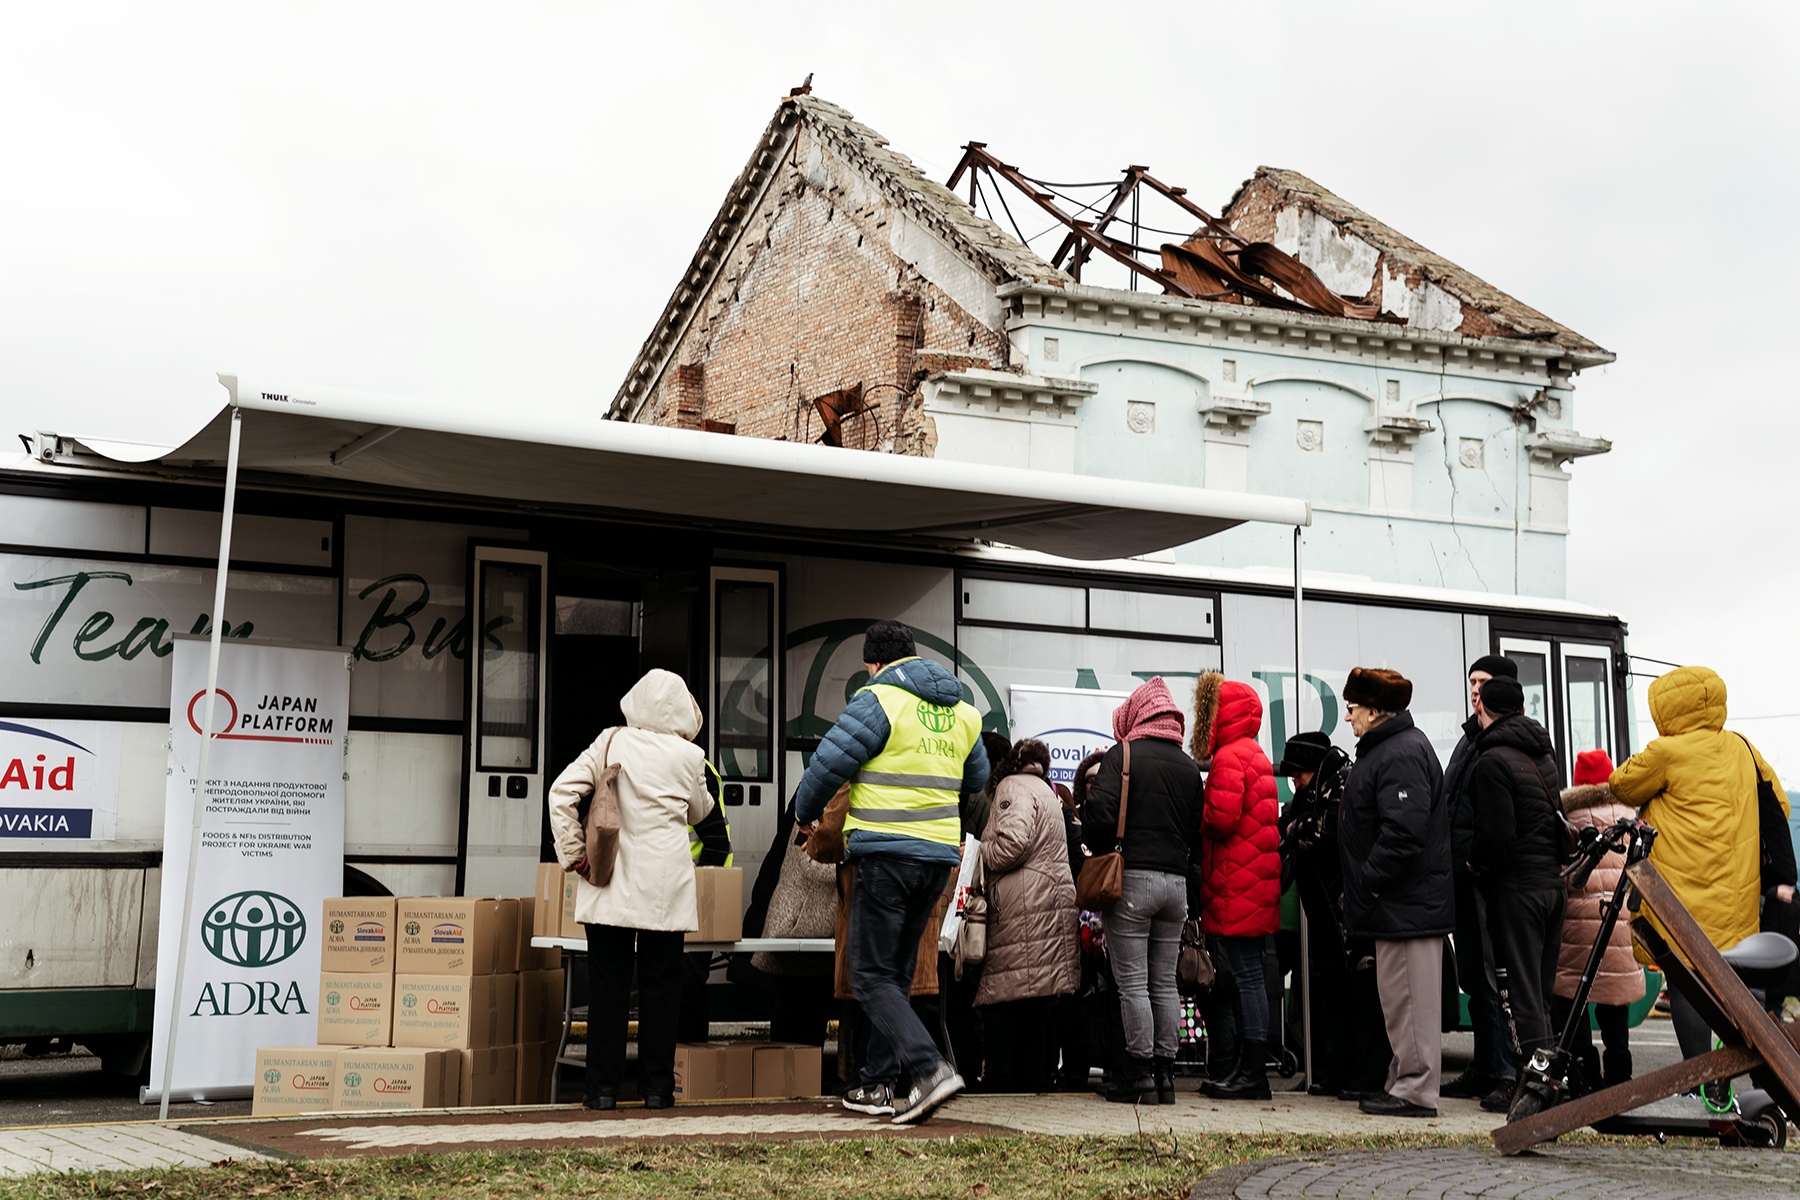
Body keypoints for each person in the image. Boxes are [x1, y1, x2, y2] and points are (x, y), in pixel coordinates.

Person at [791, 620, 989, 1124]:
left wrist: (804, 814)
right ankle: (877, 1085)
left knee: (869, 973)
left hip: (885, 857)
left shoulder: (879, 699)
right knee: (895, 974)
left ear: (873, 664)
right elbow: (978, 776)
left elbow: (825, 766)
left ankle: (929, 1070)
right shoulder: (963, 711)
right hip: (938, 861)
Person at [547, 668, 712, 1111]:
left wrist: (574, 852)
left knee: (608, 989)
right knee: (662, 992)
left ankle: (601, 1091)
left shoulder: (610, 741)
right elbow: (700, 812)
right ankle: (657, 1090)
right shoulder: (689, 756)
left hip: (610, 885)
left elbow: (561, 792)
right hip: (665, 890)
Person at [1609, 665, 1791, 1060]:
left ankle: (1697, 1077)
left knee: (1688, 980)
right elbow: (1781, 805)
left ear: (1667, 709)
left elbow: (1620, 783)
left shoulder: (1665, 753)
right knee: (1733, 981)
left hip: (1682, 900)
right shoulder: (1742, 747)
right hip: (1737, 899)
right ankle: (1742, 1070)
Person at [1082, 676, 1203, 1105]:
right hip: (1176, 886)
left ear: (1138, 714)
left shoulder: (1124, 754)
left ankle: (1138, 1077)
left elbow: (1098, 815)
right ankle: (1167, 1078)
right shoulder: (1190, 767)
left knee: (1132, 982)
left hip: (1133, 880)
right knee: (1165, 984)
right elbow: (1196, 831)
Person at [1338, 667, 1450, 1118]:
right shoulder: (1395, 748)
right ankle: (1403, 1081)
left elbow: (1404, 832)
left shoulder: (1399, 752)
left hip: (1404, 904)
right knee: (1401, 1003)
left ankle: (1416, 1090)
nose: (1347, 719)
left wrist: (1370, 880)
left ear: (1372, 709)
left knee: (1411, 1002)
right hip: (1400, 904)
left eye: (1350, 709)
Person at [1465, 675, 1566, 1112]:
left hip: (1517, 891)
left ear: (1484, 706)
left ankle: (1536, 1095)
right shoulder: (1542, 754)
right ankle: (1551, 1083)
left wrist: (1473, 863)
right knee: (1540, 994)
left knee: (1519, 996)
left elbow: (1497, 836)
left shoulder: (1491, 761)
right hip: (1552, 887)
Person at [1276, 731, 1392, 1100]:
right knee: (1333, 995)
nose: (1295, 782)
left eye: (1299, 775)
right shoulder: (1312, 791)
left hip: (1351, 915)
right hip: (1327, 916)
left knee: (1363, 994)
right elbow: (1292, 824)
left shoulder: (1344, 783)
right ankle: (1335, 1071)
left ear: (1314, 769)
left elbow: (1327, 829)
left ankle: (1366, 1076)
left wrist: (1295, 828)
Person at [1189, 673, 1280, 1101]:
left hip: (1236, 882)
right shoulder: (1256, 753)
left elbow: (1221, 819)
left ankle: (1252, 1073)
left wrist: (1200, 814)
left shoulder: (1229, 757)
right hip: (1253, 881)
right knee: (1251, 977)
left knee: (1246, 978)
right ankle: (1250, 1068)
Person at [974, 738, 1080, 1092]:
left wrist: (976, 852)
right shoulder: (1046, 790)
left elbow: (1011, 844)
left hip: (1022, 906)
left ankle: (1000, 1082)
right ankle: (1030, 1082)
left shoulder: (1010, 786)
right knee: (1035, 1001)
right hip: (1048, 902)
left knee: (1002, 997)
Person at [1439, 655, 1518, 1104]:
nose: (1475, 690)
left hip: (1485, 881)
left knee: (1493, 978)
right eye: (1471, 681)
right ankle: (1486, 1066)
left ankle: (1506, 1070)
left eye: (1483, 683)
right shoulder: (1471, 739)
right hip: (1464, 880)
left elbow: (1495, 824)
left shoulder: (1499, 742)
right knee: (1473, 977)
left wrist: (1471, 866)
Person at [1552, 749, 1643, 1093]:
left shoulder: (1568, 817)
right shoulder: (1630, 817)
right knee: (1614, 1006)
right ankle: (1620, 1082)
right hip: (1618, 928)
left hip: (1576, 929)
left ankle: (1585, 1079)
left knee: (1573, 1006)